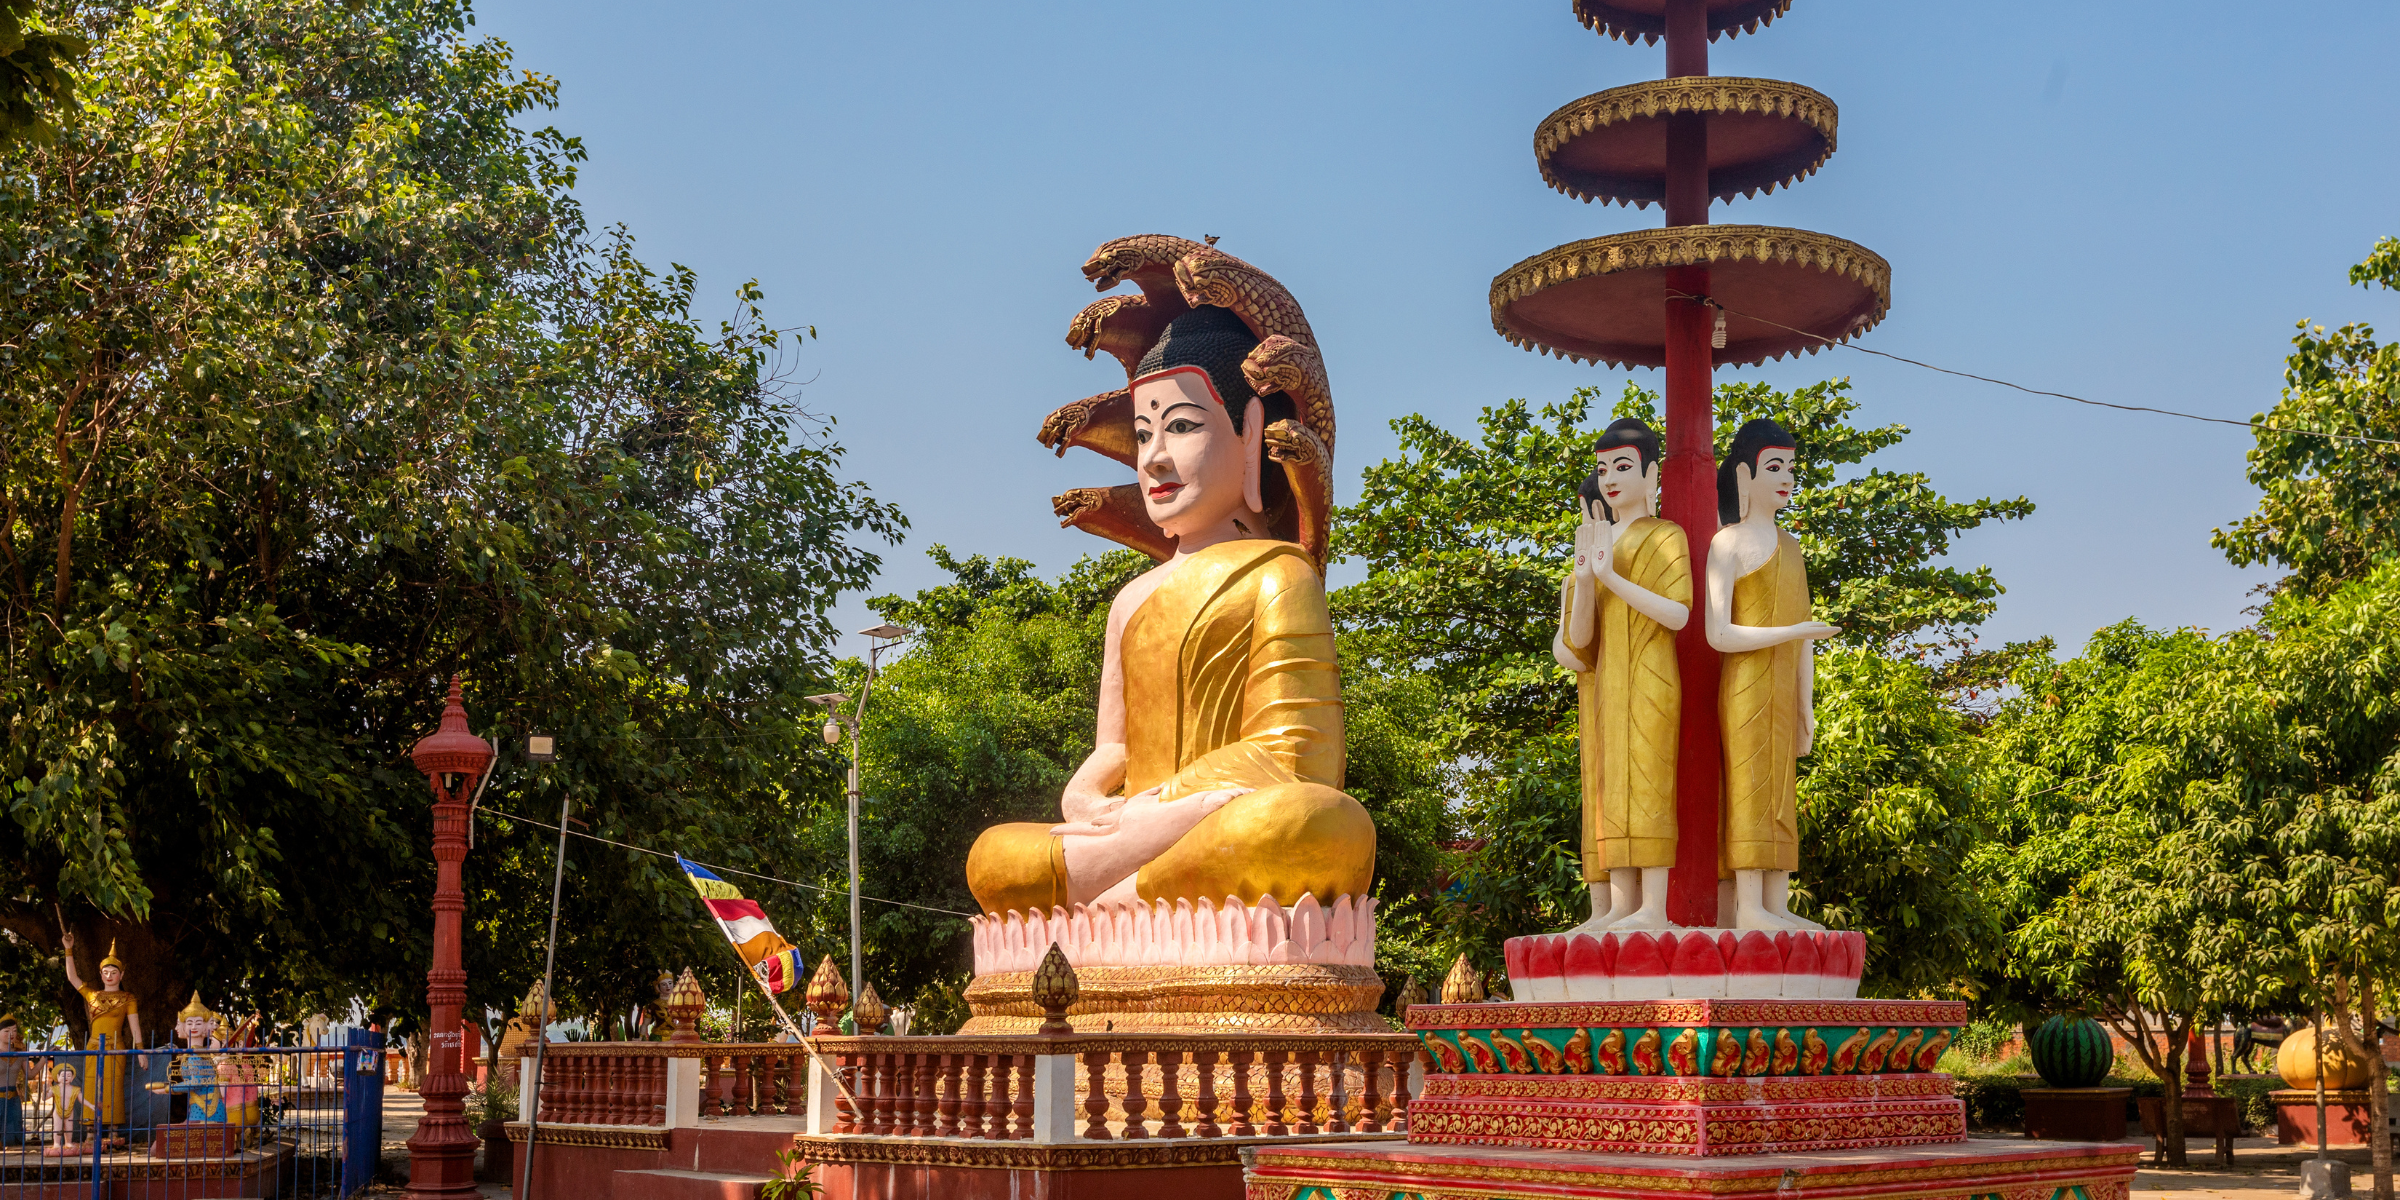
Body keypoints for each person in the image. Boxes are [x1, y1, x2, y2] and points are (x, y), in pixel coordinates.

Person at [966, 300, 1374, 913]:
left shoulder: (1281, 574)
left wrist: (1159, 811)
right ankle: (1133, 894)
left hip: (1217, 822)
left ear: (1253, 433)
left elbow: (1296, 756)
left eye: (1182, 426)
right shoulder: (1131, 599)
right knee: (994, 857)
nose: (1153, 456)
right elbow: (1115, 751)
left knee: (1314, 823)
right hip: (1146, 830)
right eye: (1142, 434)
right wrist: (1084, 798)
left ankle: (1115, 904)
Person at [1551, 418, 1690, 932]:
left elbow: (1677, 614)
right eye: (1603, 468)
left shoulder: (1665, 535)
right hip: (1608, 681)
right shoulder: (1598, 540)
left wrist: (1611, 575)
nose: (1611, 478)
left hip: (1653, 674)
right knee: (1610, 786)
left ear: (1652, 473)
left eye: (1624, 466)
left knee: (1649, 779)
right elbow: (1580, 641)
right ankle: (1617, 906)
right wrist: (1586, 581)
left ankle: (1653, 906)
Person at [1704, 419, 1841, 930]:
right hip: (1744, 686)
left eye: (1791, 467)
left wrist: (1806, 708)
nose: (1786, 477)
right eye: (1774, 466)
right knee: (1750, 786)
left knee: (1783, 793)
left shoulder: (1793, 547)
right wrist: (1791, 631)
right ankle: (1747, 906)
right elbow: (1718, 634)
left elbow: (1802, 637)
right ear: (1746, 473)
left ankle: (1776, 905)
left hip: (1784, 690)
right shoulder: (1727, 543)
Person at [58, 932, 144, 1132]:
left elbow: (134, 1026)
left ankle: (113, 1129)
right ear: (100, 974)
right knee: (91, 1086)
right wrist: (68, 949)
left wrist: (140, 1051)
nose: (109, 976)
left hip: (116, 1048)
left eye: (114, 972)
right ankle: (91, 1129)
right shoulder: (92, 995)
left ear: (121, 975)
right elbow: (72, 977)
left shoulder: (128, 998)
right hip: (94, 1047)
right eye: (105, 972)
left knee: (113, 1087)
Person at [0, 1014, 27, 1145]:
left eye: (14, 1030)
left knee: (14, 1134)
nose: (11, 1034)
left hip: (14, 1099)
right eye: (6, 1031)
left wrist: (44, 1057)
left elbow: (31, 1074)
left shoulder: (20, 1053)